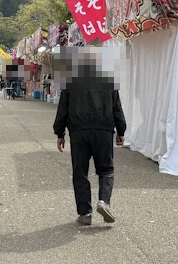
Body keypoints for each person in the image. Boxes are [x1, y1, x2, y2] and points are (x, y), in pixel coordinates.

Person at [53, 52, 127, 225]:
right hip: (103, 131)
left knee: (80, 172)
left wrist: (60, 133)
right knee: (106, 170)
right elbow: (117, 108)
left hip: (78, 132)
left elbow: (62, 110)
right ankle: (104, 201)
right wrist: (121, 130)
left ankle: (85, 213)